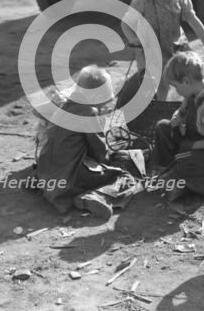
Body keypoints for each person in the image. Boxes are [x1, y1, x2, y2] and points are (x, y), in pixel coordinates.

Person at [35, 65, 136, 219]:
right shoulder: (88, 112)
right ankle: (93, 197)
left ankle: (73, 193)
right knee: (124, 177)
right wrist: (113, 160)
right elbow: (99, 151)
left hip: (45, 174)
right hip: (69, 180)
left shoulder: (65, 104)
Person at [121, 0, 204, 101]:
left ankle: (192, 103)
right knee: (160, 83)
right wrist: (133, 39)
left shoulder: (181, 1)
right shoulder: (141, 2)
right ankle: (161, 106)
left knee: (190, 71)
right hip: (149, 50)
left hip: (175, 46)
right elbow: (126, 24)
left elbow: (194, 22)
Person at [150, 51, 204, 201]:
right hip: (191, 143)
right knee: (163, 126)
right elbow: (181, 112)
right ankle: (169, 169)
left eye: (175, 86)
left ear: (186, 82)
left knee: (186, 163)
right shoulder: (191, 96)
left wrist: (193, 146)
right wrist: (177, 118)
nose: (176, 91)